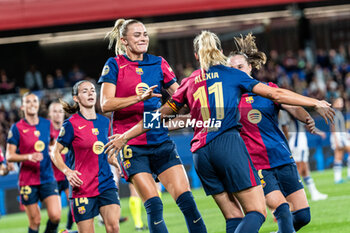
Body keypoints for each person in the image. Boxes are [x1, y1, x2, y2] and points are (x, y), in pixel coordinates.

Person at [104, 31, 334, 233]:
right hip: (227, 145)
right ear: (220, 51)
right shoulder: (232, 74)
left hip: (200, 154)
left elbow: (159, 115)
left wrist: (125, 136)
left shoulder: (190, 81)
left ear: (196, 56)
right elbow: (276, 94)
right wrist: (314, 102)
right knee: (256, 211)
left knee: (233, 215)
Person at [98, 18, 207, 233]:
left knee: (187, 202)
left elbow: (179, 97)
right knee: (154, 205)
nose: (143, 38)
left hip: (160, 141)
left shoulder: (158, 62)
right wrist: (137, 98)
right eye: (137, 35)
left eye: (145, 34)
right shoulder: (114, 65)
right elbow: (105, 104)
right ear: (124, 40)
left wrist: (199, 94)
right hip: (131, 145)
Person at [227, 33, 333, 232]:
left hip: (282, 157)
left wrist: (307, 118)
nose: (236, 72)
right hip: (256, 164)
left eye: (240, 67)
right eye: (231, 69)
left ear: (250, 67)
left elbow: (291, 106)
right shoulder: (227, 99)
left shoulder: (268, 89)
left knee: (302, 216)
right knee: (282, 209)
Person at [51, 80, 120, 233]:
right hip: (82, 187)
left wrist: (115, 161)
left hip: (105, 183)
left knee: (114, 227)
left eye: (92, 90)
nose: (90, 93)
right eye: (84, 91)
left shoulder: (105, 122)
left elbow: (108, 151)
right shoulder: (71, 124)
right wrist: (67, 172)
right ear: (76, 98)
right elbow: (54, 152)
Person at [6, 92, 61, 233]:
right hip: (28, 181)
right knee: (35, 221)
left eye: (35, 101)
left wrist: (53, 149)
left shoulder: (47, 124)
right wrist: (28, 157)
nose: (32, 104)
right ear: (23, 106)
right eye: (28, 102)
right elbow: (9, 155)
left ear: (38, 105)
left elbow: (53, 143)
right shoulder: (16, 128)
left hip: (48, 177)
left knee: (55, 216)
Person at [285, 112, 328, 201]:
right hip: (298, 142)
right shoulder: (295, 109)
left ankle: (314, 193)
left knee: (305, 170)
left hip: (297, 141)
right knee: (299, 169)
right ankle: (292, 195)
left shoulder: (288, 109)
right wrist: (319, 132)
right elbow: (308, 125)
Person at [48, 102, 75, 231]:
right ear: (49, 114)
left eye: (60, 111)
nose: (58, 114)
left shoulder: (69, 128)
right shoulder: (45, 131)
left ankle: (68, 229)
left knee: (73, 203)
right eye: (55, 111)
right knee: (55, 213)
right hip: (51, 176)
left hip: (67, 173)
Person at [330, 97, 350, 183]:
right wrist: (336, 140)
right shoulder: (334, 112)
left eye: (342, 102)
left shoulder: (339, 112)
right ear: (334, 103)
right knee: (339, 155)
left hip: (341, 136)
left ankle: (337, 178)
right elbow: (333, 127)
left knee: (338, 157)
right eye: (339, 102)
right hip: (338, 136)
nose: (341, 104)